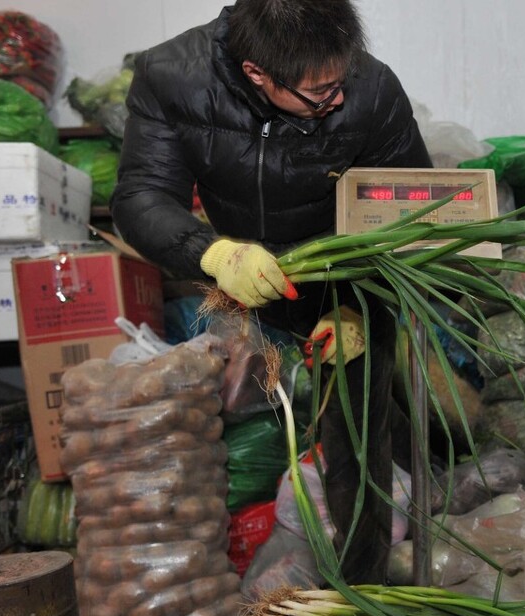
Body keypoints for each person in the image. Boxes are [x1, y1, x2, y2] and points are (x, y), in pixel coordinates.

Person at [111, 0, 432, 585]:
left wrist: (357, 302)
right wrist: (212, 253)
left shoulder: (372, 88)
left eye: (342, 82)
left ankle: (367, 596)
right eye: (319, 93)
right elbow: (140, 197)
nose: (335, 100)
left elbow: (409, 216)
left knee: (357, 441)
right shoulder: (171, 75)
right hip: (241, 274)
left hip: (346, 282)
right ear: (258, 72)